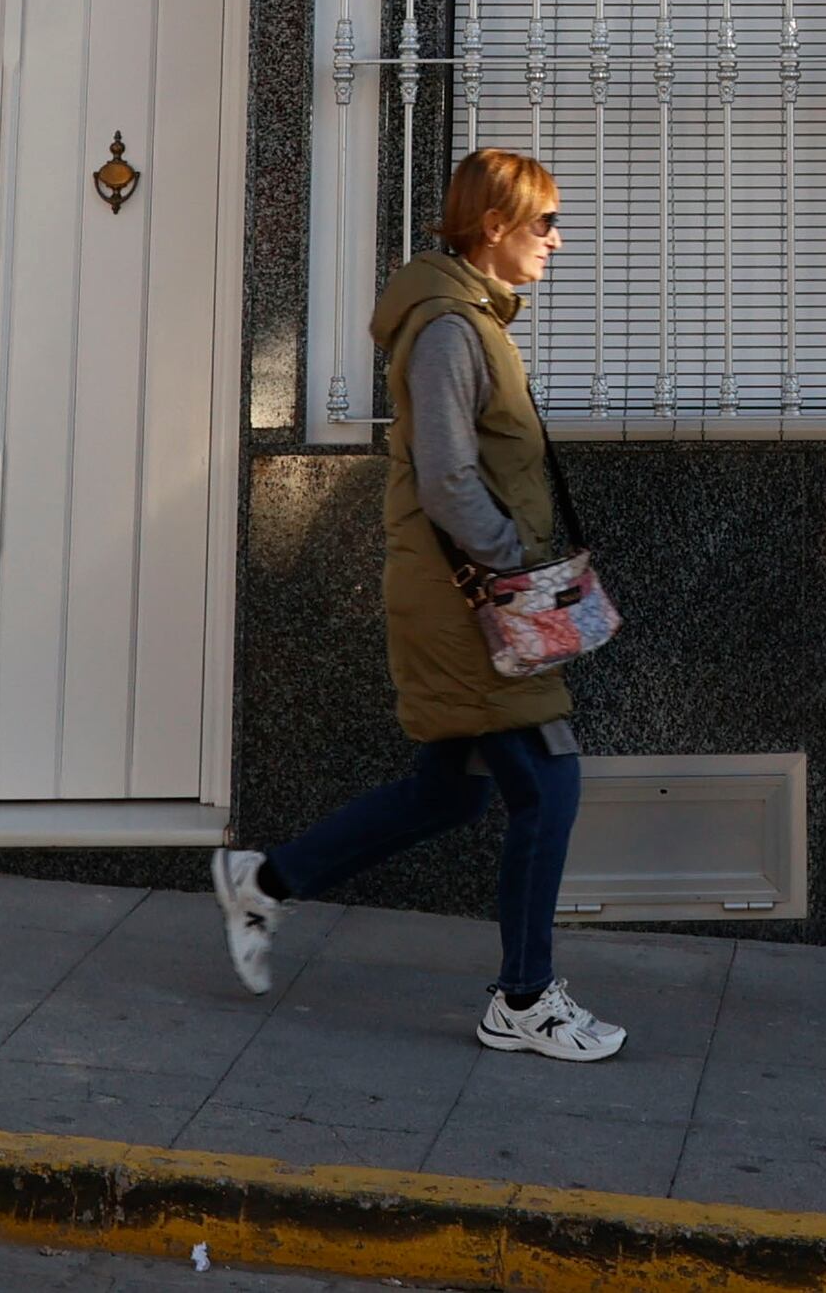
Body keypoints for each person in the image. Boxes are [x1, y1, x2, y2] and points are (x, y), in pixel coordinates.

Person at [210, 145, 628, 1062]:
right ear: (494, 226)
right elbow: (444, 479)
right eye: (545, 223)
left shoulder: (474, 322)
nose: (557, 240)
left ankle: (265, 880)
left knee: (447, 794)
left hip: (464, 592)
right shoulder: (448, 330)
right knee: (549, 783)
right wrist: (516, 562)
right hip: (465, 602)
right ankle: (523, 999)